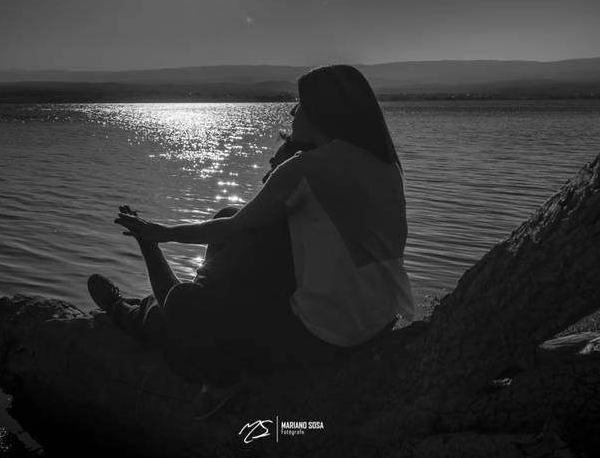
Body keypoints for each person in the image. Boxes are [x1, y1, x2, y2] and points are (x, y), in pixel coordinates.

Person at [89, 64, 415, 419]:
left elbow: (232, 228)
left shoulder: (306, 168)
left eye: (300, 104)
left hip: (325, 335)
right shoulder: (386, 167)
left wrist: (162, 234)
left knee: (180, 304)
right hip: (379, 320)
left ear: (323, 111)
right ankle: (137, 309)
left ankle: (219, 383)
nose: (293, 111)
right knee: (214, 265)